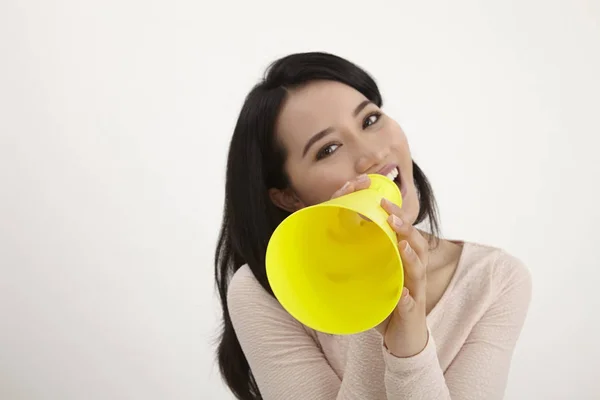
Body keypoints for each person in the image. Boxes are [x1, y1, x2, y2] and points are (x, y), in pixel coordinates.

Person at [213, 51, 532, 400]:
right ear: (288, 197)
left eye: (369, 120)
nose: (373, 156)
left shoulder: (496, 280)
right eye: (328, 148)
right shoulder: (265, 288)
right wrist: (369, 287)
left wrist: (409, 347)